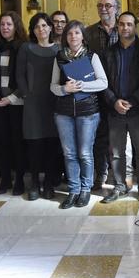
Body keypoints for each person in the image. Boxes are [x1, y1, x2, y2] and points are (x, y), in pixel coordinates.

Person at [51, 20, 108, 209]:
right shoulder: (59, 57)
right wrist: (64, 89)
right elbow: (52, 86)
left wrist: (83, 85)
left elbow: (103, 82)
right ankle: (73, 190)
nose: (73, 36)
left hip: (88, 112)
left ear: (83, 36)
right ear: (65, 37)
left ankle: (85, 189)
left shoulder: (92, 56)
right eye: (69, 33)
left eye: (76, 33)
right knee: (69, 153)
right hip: (63, 113)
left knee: (85, 153)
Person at [100, 12, 139, 203]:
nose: (125, 28)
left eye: (129, 24)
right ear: (117, 27)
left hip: (138, 109)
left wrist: (133, 101)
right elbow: (102, 81)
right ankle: (120, 186)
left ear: (135, 27)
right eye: (122, 24)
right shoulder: (108, 52)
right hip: (115, 109)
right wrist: (114, 101)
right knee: (116, 152)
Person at [16, 13, 61, 201]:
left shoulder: (59, 49)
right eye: (36, 26)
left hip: (54, 103)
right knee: (34, 145)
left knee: (52, 144)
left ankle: (49, 183)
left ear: (50, 27)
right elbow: (19, 75)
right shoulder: (26, 48)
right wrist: (26, 94)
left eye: (44, 25)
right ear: (32, 31)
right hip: (33, 104)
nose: (41, 29)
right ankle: (34, 183)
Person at [0, 11, 27, 195]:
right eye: (2, 24)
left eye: (9, 24)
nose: (5, 27)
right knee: (2, 143)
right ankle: (6, 179)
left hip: (17, 103)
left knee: (18, 143)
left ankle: (20, 180)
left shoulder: (24, 46)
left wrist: (11, 98)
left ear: (16, 26)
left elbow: (26, 78)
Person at [85, 0, 120, 191]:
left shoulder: (124, 29)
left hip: (120, 93)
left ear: (117, 8)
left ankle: (120, 175)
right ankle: (101, 173)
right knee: (99, 137)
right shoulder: (88, 33)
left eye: (108, 5)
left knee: (119, 137)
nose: (103, 9)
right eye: (100, 5)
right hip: (96, 94)